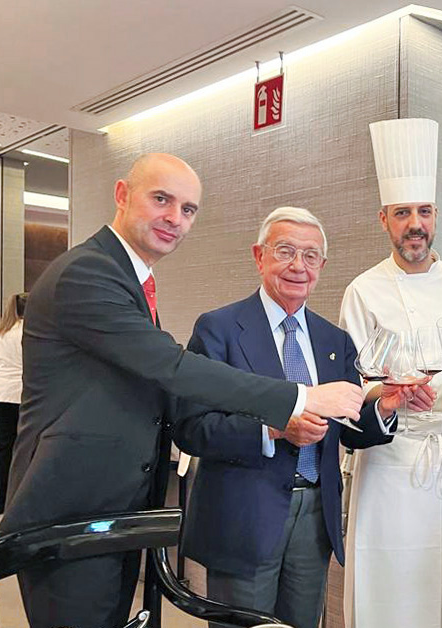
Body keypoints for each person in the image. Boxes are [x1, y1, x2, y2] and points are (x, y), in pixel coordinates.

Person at [0, 153, 363, 628]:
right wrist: (301, 398)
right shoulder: (86, 274)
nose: (175, 218)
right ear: (122, 195)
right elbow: (173, 369)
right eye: (162, 199)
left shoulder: (131, 279)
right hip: (72, 509)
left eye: (188, 209)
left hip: (115, 509)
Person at [173, 207, 407, 628]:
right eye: (285, 252)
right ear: (259, 256)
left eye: (311, 256)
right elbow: (192, 429)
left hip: (314, 516)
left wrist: (384, 407)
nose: (298, 266)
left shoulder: (334, 341)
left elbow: (349, 427)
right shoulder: (219, 330)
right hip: (245, 517)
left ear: (322, 266)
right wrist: (276, 428)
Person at [339, 118, 442, 628]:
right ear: (384, 219)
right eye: (402, 213)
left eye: (423, 212)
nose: (414, 224)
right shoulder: (363, 290)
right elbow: (351, 385)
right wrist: (389, 393)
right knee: (390, 581)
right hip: (392, 461)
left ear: (436, 216)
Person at [0, 292, 27, 515]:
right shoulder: (30, 332)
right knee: (25, 446)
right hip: (22, 394)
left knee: (3, 447)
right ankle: (18, 498)